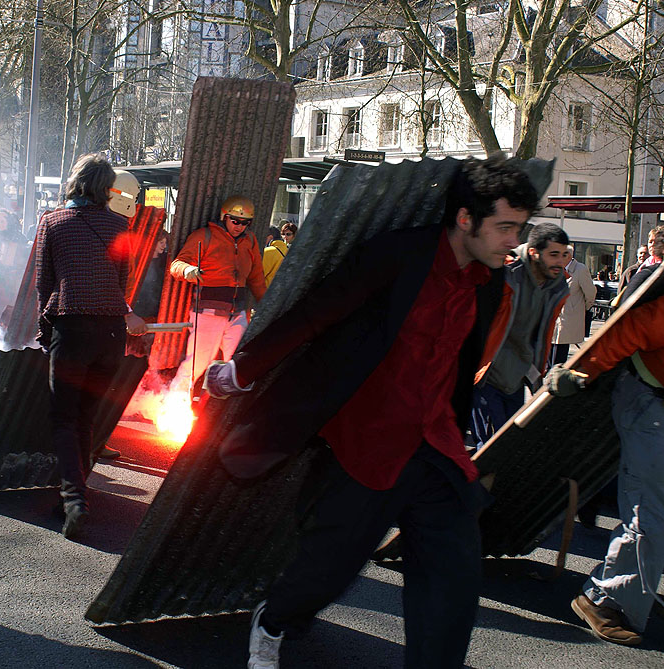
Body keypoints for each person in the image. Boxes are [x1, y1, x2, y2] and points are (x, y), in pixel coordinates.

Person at [203, 155, 541, 669]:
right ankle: (272, 621)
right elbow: (317, 313)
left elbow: (463, 362)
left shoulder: (490, 281)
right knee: (329, 570)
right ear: (466, 220)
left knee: (453, 580)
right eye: (506, 227)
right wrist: (241, 371)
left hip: (437, 448)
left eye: (519, 228)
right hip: (369, 442)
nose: (514, 240)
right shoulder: (398, 255)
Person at [546, 239, 664, 646]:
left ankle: (638, 589)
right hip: (651, 404)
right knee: (652, 513)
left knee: (657, 511)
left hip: (660, 403)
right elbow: (630, 328)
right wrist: (580, 369)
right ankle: (605, 599)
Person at [34, 155, 146, 539]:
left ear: (75, 182)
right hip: (111, 335)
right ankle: (75, 497)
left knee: (63, 417)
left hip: (73, 328)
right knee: (85, 416)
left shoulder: (52, 222)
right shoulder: (120, 224)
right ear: (107, 189)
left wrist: (43, 327)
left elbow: (43, 283)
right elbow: (122, 283)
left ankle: (74, 500)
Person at [468, 223, 570, 448]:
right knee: (487, 448)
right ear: (533, 252)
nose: (560, 261)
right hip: (485, 374)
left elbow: (543, 332)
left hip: (517, 377)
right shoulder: (504, 271)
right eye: (553, 254)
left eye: (564, 254)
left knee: (509, 445)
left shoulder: (558, 285)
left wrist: (537, 376)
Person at [169, 195, 266, 394]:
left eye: (245, 223)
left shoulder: (250, 241)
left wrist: (267, 304)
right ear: (224, 217)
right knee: (196, 364)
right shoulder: (203, 236)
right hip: (207, 312)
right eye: (236, 221)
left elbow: (256, 277)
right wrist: (188, 271)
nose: (240, 226)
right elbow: (176, 264)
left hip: (237, 311)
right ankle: (171, 405)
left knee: (239, 363)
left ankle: (224, 411)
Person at [550, 244, 597, 367]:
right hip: (554, 317)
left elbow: (590, 293)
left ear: (568, 256)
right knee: (551, 350)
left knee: (559, 352)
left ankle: (555, 377)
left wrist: (583, 308)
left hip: (568, 317)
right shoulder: (556, 268)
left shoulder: (580, 270)